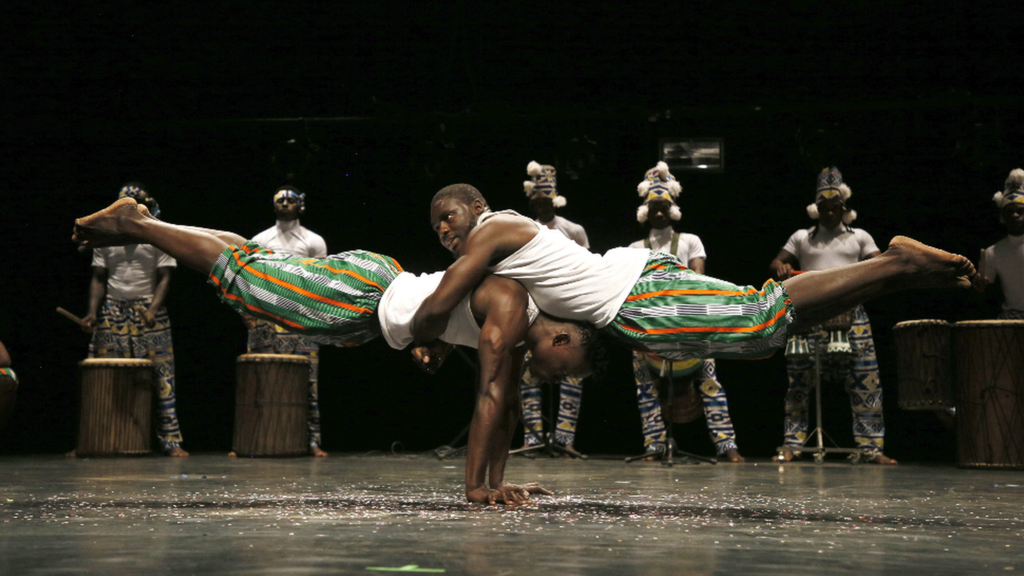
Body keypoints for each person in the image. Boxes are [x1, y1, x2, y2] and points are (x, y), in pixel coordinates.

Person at [72, 197, 604, 505]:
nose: (555, 378)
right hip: (361, 296)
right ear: (563, 338)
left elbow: (507, 404)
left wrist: (501, 483)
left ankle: (145, 220)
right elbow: (489, 397)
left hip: (368, 305)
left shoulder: (516, 324)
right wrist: (474, 489)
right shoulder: (514, 309)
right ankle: (137, 225)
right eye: (565, 372)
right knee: (248, 279)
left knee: (256, 263)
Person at [410, 183, 974, 472]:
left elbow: (440, 302)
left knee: (759, 315)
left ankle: (892, 262)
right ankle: (894, 276)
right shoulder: (506, 241)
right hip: (635, 304)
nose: (444, 229)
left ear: (476, 205)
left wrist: (423, 334)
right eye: (436, 225)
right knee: (761, 337)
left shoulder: (491, 230)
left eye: (449, 216)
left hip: (637, 297)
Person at [767, 167, 895, 464]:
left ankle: (871, 448)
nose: (829, 213)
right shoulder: (802, 238)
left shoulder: (860, 237)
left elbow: (880, 265)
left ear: (843, 209)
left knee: (866, 381)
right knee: (798, 383)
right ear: (816, 210)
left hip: (852, 317)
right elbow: (776, 262)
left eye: (834, 208)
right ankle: (792, 445)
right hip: (809, 313)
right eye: (823, 208)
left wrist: (872, 267)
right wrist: (780, 267)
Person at [627, 163, 744, 462]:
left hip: (688, 321)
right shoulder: (634, 247)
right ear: (645, 208)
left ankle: (726, 444)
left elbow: (699, 280)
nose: (658, 211)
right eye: (653, 205)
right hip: (649, 326)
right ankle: (654, 446)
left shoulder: (690, 241)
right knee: (646, 386)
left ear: (672, 207)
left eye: (663, 205)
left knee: (710, 383)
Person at [78, 184, 187, 457]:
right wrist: (93, 312)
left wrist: (152, 310)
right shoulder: (104, 236)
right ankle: (96, 438)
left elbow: (165, 278)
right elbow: (99, 278)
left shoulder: (158, 234)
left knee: (163, 377)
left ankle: (171, 442)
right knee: (104, 376)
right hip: (113, 309)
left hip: (149, 309)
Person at [246, 185, 329, 457]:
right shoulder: (260, 239)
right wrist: (248, 313)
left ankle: (312, 441)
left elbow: (321, 281)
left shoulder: (313, 241)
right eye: (279, 199)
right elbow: (251, 278)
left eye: (290, 199)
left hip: (301, 315)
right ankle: (250, 438)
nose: (284, 203)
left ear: (300, 205)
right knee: (259, 379)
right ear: (273, 204)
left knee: (308, 380)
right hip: (266, 316)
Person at [517, 162, 588, 457]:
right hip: (532, 312)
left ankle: (564, 438)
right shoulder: (525, 228)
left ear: (555, 200)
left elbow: (587, 268)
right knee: (528, 373)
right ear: (533, 202)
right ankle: (533, 438)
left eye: (547, 201)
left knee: (570, 372)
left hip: (566, 310)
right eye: (538, 202)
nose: (543, 206)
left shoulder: (573, 230)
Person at [975, 168, 1024, 319]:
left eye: (1020, 211)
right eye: (1009, 211)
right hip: (1011, 320)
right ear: (1002, 216)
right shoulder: (992, 252)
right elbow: (980, 298)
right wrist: (978, 287)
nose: (1015, 215)